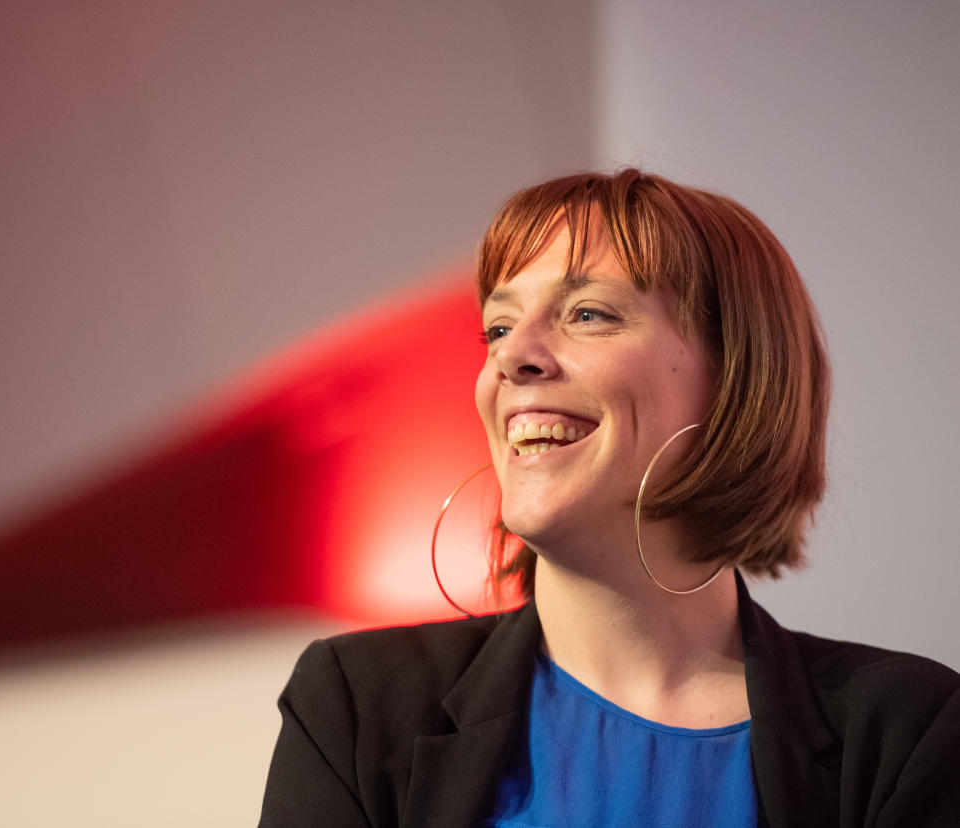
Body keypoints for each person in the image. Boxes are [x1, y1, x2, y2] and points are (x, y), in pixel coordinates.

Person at [259, 170, 960, 827]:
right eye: (498, 328)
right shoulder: (355, 705)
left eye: (588, 314)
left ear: (738, 375)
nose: (513, 356)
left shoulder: (907, 728)